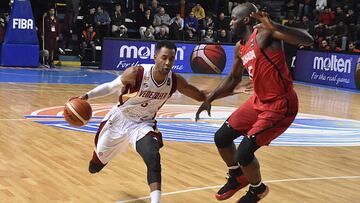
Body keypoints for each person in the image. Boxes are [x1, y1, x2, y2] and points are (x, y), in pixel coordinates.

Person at [195, 3, 313, 202]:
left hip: (280, 104)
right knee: (221, 137)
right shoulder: (239, 47)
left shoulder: (265, 33)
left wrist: (275, 25)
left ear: (246, 20)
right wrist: (210, 99)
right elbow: (233, 79)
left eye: (233, 19)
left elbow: (307, 40)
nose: (230, 22)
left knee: (244, 153)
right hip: (258, 100)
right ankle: (237, 176)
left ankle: (257, 189)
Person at [74, 41, 208, 203]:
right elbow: (110, 87)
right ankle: (101, 158)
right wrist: (86, 96)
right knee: (94, 167)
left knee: (152, 155)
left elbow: (200, 96)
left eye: (171, 59)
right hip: (120, 119)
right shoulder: (136, 73)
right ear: (155, 57)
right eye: (164, 58)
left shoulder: (175, 80)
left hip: (143, 124)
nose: (167, 63)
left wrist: (227, 90)